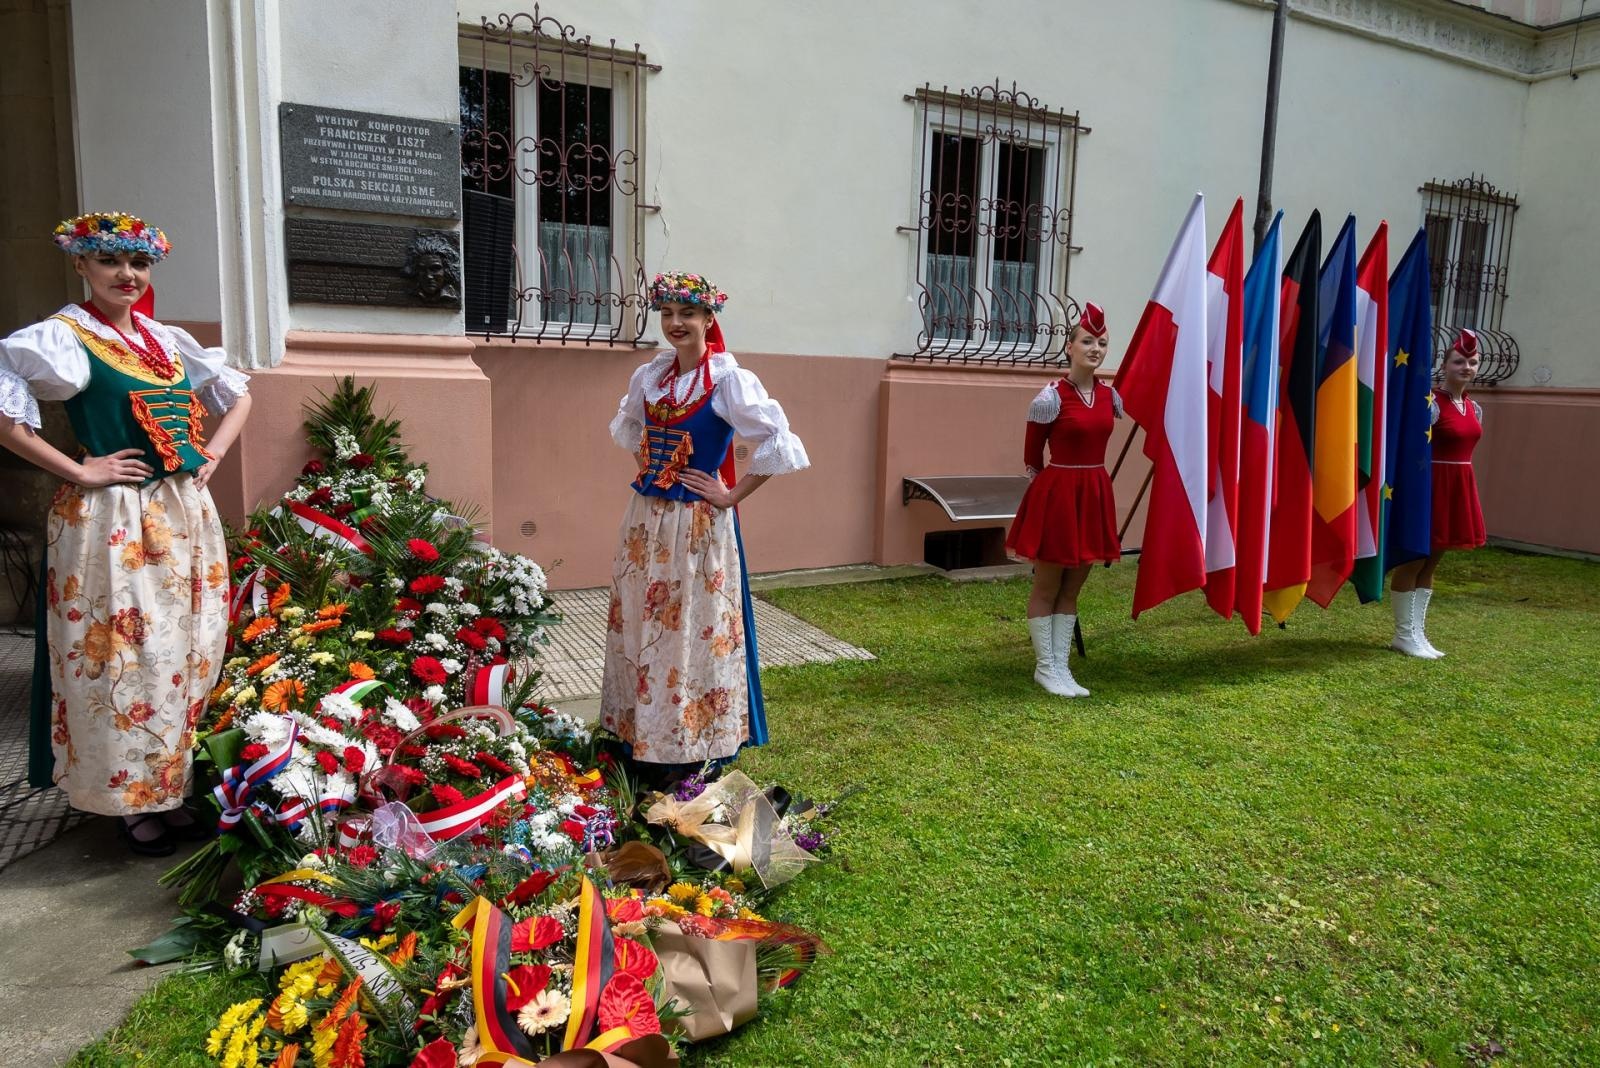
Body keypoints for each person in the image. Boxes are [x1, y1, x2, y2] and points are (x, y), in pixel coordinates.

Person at [0, 212, 253, 855]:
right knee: (122, 652)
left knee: (184, 651)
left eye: (137, 263)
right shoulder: (63, 336)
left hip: (181, 513)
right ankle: (125, 800)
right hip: (111, 518)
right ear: (81, 264)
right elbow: (5, 414)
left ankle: (169, 789)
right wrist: (81, 469)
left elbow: (238, 396)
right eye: (110, 260)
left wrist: (213, 454)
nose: (126, 274)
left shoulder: (164, 339)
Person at [601, 272, 808, 785]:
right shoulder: (651, 376)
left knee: (690, 626)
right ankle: (640, 735)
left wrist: (730, 495)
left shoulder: (728, 379)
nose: (676, 323)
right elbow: (631, 428)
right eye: (667, 314)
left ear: (708, 319)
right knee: (644, 621)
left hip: (696, 524)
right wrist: (654, 467)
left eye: (687, 314)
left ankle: (688, 746)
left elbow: (778, 441)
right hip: (646, 520)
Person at [1005, 302, 1123, 697]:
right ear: (1070, 347)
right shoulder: (1050, 397)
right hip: (1058, 497)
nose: (1095, 349)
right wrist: (1050, 498)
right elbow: (1032, 458)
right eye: (1087, 341)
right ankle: (1045, 668)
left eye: (1102, 343)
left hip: (1094, 494)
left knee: (1072, 588)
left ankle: (1062, 668)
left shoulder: (1109, 396)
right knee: (1047, 585)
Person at [1389, 328, 1485, 658]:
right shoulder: (1430, 404)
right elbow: (1408, 447)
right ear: (1444, 366)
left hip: (1457, 489)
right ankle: (1403, 634)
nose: (1466, 367)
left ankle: (1418, 633)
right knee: (1413, 561)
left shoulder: (1474, 408)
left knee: (1431, 566)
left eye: (1472, 362)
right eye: (1459, 361)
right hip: (1429, 490)